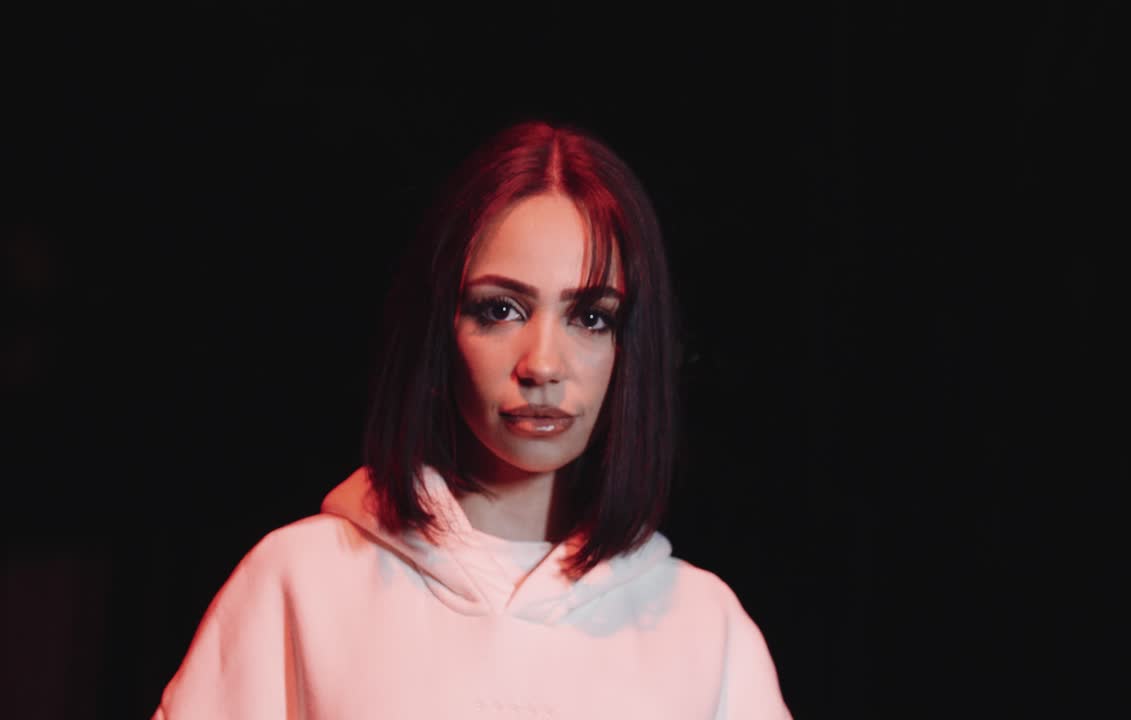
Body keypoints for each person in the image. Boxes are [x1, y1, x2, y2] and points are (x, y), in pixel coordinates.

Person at [153, 120, 792, 719]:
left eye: (591, 317)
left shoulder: (704, 627)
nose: (542, 363)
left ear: (635, 347)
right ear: (441, 327)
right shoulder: (301, 581)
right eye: (500, 310)